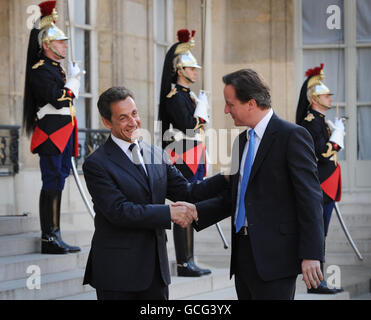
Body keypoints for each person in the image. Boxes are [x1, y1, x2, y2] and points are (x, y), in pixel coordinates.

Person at [183, 69, 325, 300]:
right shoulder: (241, 141)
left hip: (276, 260)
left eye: (230, 104)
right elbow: (237, 197)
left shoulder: (292, 136)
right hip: (243, 256)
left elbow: (310, 199)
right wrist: (198, 211)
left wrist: (311, 254)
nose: (226, 110)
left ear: (251, 103)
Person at [82, 86, 228, 300]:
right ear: (106, 122)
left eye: (134, 113)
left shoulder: (157, 154)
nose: (133, 122)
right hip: (117, 274)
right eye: (123, 118)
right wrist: (169, 213)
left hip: (155, 274)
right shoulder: (96, 164)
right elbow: (119, 211)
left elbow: (187, 192)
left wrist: (226, 178)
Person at [23, 1, 82, 254]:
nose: (65, 45)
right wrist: (72, 84)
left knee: (58, 179)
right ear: (46, 45)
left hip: (64, 133)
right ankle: (48, 237)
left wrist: (69, 81)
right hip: (51, 134)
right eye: (60, 42)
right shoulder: (40, 70)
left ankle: (55, 233)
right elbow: (57, 98)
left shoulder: (56, 69)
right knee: (51, 180)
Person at [158, 29, 211, 277]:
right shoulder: (174, 97)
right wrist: (200, 111)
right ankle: (183, 262)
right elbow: (189, 126)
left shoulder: (187, 96)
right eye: (191, 69)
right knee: (184, 206)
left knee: (192, 205)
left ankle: (188, 258)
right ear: (180, 71)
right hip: (181, 154)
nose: (195, 72)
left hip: (192, 152)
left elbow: (196, 132)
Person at [296, 64, 345, 294]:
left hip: (329, 183)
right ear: (315, 98)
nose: (329, 97)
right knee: (317, 232)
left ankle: (318, 280)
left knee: (321, 232)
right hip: (320, 185)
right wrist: (335, 140)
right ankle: (316, 282)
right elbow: (320, 152)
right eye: (326, 94)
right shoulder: (310, 121)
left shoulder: (321, 120)